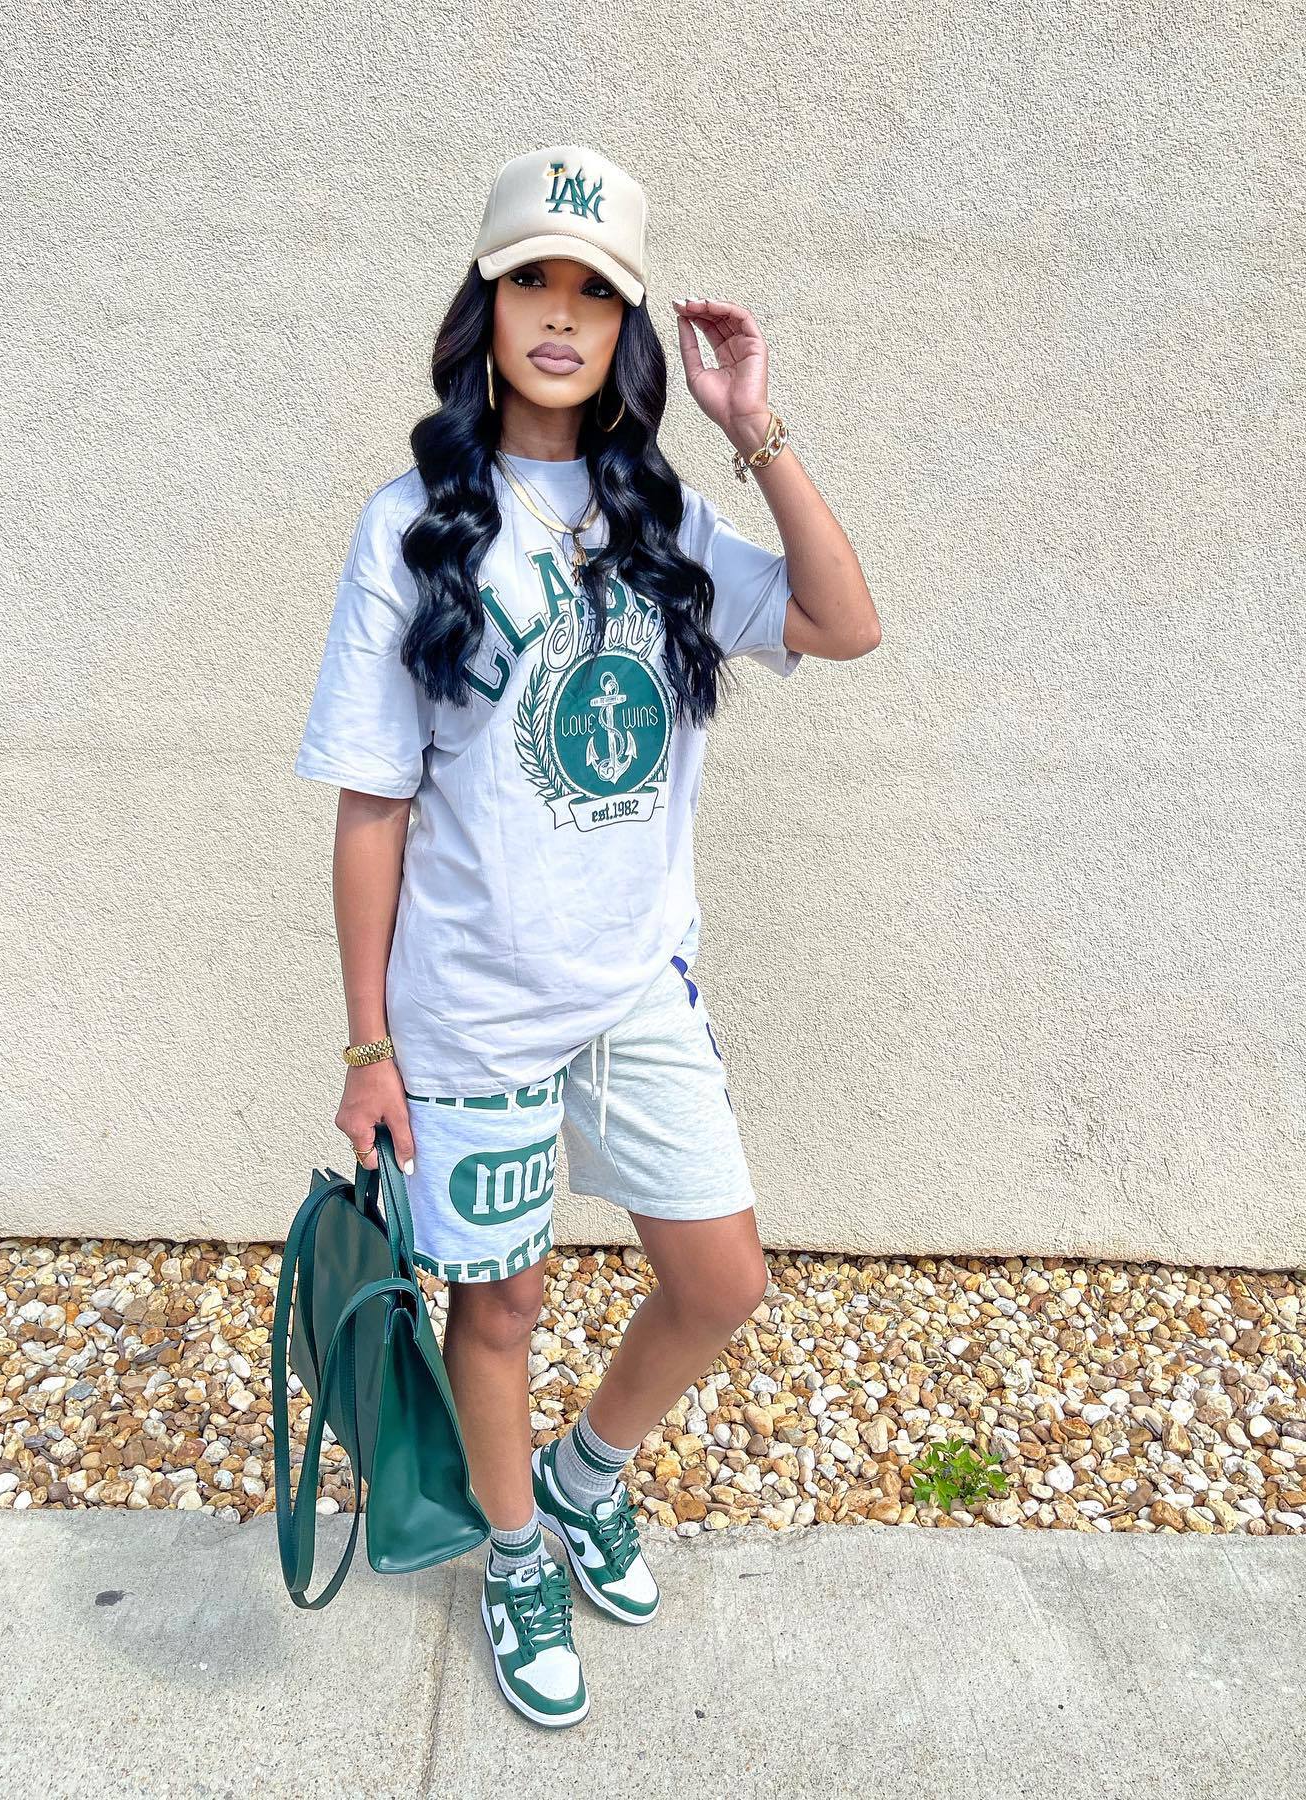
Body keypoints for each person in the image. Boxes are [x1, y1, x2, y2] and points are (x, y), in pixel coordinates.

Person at [293, 142, 880, 1728]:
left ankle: (585, 1472)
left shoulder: (661, 518)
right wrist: (367, 1044)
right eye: (531, 283)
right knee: (500, 1306)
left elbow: (842, 622)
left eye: (594, 293)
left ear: (626, 330)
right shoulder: (410, 527)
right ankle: (513, 1553)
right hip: (474, 1008)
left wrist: (755, 432)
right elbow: (371, 808)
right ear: (483, 309)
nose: (560, 316)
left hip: (633, 991)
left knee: (722, 1279)